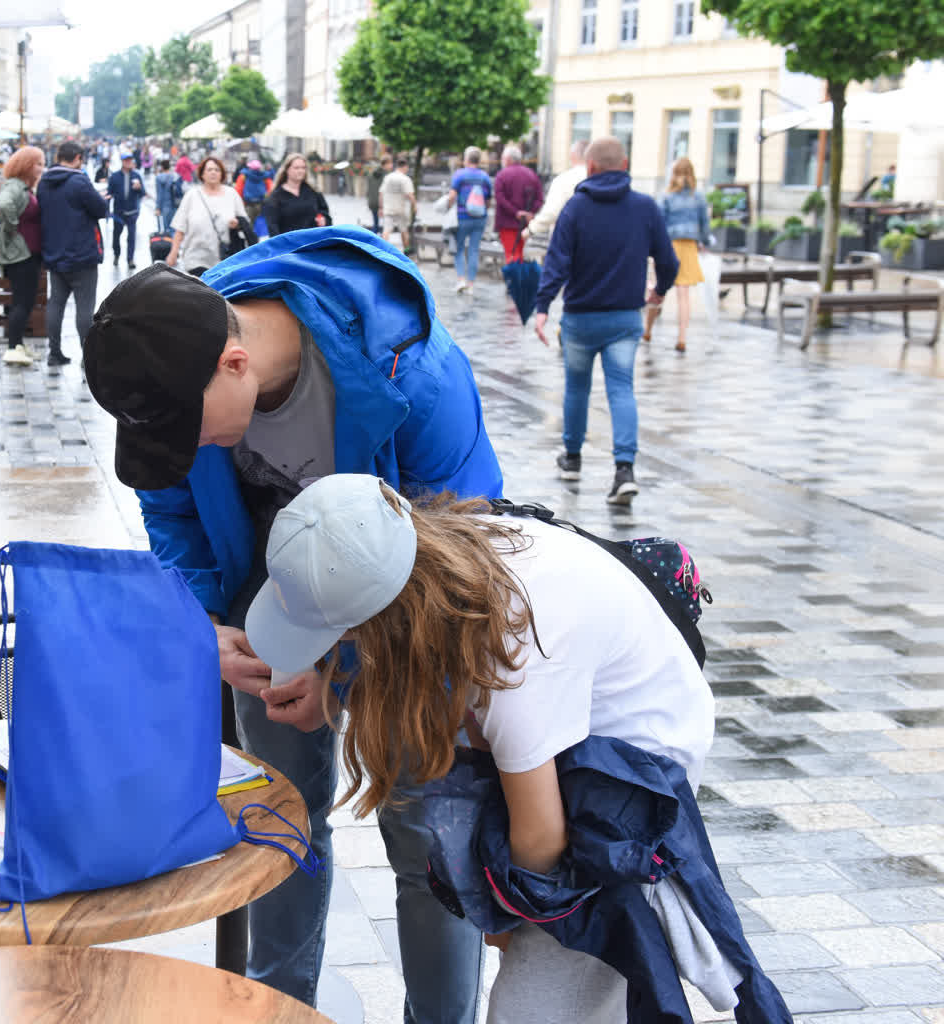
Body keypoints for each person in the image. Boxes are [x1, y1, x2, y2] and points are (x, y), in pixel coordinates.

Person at [81, 227, 503, 1022]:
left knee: (426, 834)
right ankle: (276, 1011)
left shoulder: (412, 374)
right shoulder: (182, 355)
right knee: (277, 826)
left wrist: (341, 669)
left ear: (233, 364)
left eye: (192, 430)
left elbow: (455, 557)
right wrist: (200, 623)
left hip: (413, 619)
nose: (191, 447)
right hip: (266, 600)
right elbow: (169, 504)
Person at [241, 475, 753, 1024]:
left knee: (536, 1003)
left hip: (629, 768)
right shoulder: (444, 555)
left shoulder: (517, 651)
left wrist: (507, 920)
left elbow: (540, 836)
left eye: (339, 642)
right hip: (565, 722)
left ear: (383, 625)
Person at [533, 136, 678, 506]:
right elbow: (668, 260)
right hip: (625, 320)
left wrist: (543, 306)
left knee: (577, 388)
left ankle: (572, 459)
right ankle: (624, 470)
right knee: (621, 390)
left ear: (591, 167)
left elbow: (557, 262)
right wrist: (659, 290)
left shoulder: (575, 209)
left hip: (581, 319)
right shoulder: (645, 208)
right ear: (625, 164)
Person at [39, 139, 108, 366]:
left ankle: (54, 352)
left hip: (54, 254)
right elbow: (100, 209)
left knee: (56, 303)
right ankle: (86, 357)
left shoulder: (44, 182)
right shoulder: (80, 181)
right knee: (85, 308)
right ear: (78, 158)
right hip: (82, 255)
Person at [647, 156, 709, 352]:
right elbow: (705, 224)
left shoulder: (665, 197)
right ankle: (682, 337)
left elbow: (658, 225)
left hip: (669, 246)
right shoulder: (698, 197)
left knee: (659, 291)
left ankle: (647, 329)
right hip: (689, 246)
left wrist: (654, 247)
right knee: (684, 295)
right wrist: (704, 242)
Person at [0, 145, 47, 366]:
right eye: (38, 164)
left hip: (28, 254)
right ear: (26, 165)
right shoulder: (15, 186)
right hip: (21, 256)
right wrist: (13, 227)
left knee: (24, 302)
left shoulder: (25, 187)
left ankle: (17, 344)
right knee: (22, 302)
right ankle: (11, 348)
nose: (41, 168)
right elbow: (3, 204)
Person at [165, 155, 243, 276]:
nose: (213, 173)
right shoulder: (192, 195)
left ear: (222, 174)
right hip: (196, 259)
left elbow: (244, 222)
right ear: (202, 174)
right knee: (201, 292)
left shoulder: (232, 194)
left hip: (224, 259)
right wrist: (173, 253)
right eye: (209, 170)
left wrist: (237, 223)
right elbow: (180, 228)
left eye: (217, 170)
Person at [523, 140, 588, 244]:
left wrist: (530, 230)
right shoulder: (601, 179)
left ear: (572, 156)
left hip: (568, 241)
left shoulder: (564, 179)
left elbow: (552, 213)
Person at [447, 146, 493, 294]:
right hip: (479, 219)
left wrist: (447, 208)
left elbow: (452, 195)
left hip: (462, 217)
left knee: (459, 249)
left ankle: (461, 280)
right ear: (478, 160)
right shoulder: (485, 177)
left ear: (466, 159)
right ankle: (471, 285)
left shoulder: (459, 175)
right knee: (474, 250)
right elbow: (488, 200)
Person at [493, 144, 542, 264]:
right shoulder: (531, 174)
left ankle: (515, 281)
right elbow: (539, 198)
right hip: (525, 223)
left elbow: (500, 198)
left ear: (508, 159)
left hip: (507, 222)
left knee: (512, 254)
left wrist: (516, 212)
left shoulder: (502, 175)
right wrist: (530, 213)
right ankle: (519, 280)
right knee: (518, 253)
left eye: (503, 158)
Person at [262, 153, 332, 236]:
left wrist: (324, 220)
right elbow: (272, 227)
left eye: (303, 168)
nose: (301, 171)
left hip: (313, 243)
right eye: (296, 168)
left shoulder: (314, 191)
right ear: (287, 170)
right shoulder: (275, 197)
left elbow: (325, 212)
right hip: (290, 245)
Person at [108, 152, 147, 270]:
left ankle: (130, 259)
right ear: (122, 162)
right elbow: (110, 193)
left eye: (130, 160)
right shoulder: (114, 176)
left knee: (131, 237)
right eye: (126, 160)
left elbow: (142, 193)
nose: (128, 162)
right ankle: (116, 254)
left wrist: (139, 188)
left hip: (132, 212)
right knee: (116, 236)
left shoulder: (136, 176)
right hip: (118, 212)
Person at [379, 157, 414, 251]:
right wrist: (414, 206)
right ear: (405, 167)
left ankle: (382, 250)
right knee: (404, 230)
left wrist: (381, 208)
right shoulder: (405, 179)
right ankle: (406, 250)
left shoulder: (388, 178)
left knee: (386, 230)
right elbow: (410, 195)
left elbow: (381, 193)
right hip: (400, 208)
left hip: (388, 208)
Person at [234, 158, 274, 226]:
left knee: (248, 223)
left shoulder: (243, 176)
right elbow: (271, 189)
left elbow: (238, 190)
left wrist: (240, 203)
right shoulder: (264, 176)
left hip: (248, 204)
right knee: (260, 223)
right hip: (261, 204)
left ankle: (251, 236)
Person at [366, 155, 393, 234]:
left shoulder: (371, 174)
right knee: (386, 225)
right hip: (382, 202)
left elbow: (369, 189)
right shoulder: (387, 175)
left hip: (372, 201)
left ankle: (374, 240)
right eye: (391, 163)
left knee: (376, 223)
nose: (392, 166)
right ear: (386, 164)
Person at [155, 160, 184, 233]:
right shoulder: (175, 176)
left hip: (165, 205)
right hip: (176, 205)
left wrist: (158, 207)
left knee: (165, 229)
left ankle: (168, 243)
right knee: (174, 228)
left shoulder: (159, 178)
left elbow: (160, 194)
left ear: (162, 167)